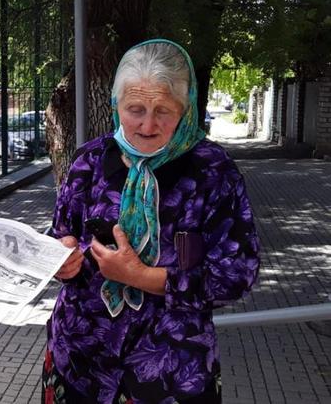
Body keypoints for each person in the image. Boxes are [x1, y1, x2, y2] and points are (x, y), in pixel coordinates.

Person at [42, 39, 260, 403]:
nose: (147, 124)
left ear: (185, 109)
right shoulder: (89, 162)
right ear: (115, 105)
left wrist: (140, 277)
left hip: (171, 371)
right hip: (80, 361)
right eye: (135, 108)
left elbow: (237, 274)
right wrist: (61, 257)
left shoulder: (212, 171)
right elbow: (60, 235)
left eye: (163, 110)